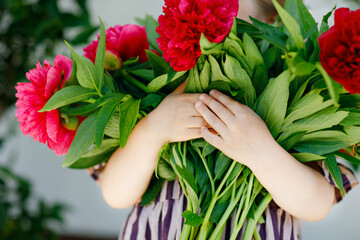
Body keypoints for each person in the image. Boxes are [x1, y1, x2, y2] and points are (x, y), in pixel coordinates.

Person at [87, 0, 359, 239]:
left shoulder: (296, 95)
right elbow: (115, 194)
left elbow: (318, 205)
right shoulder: (155, 87)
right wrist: (153, 129)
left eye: (223, 14)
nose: (207, 26)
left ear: (273, 21)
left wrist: (262, 152)